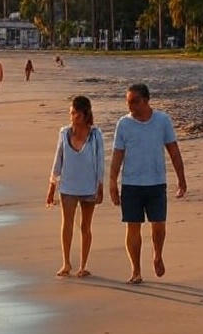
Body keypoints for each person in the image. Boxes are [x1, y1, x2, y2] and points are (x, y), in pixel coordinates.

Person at [108, 83, 187, 284]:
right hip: (131, 183)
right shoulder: (123, 124)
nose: (130, 106)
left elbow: (173, 150)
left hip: (156, 182)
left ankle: (157, 255)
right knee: (132, 227)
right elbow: (118, 154)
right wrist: (112, 182)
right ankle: (136, 270)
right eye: (128, 102)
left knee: (158, 225)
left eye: (134, 101)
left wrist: (181, 179)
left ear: (146, 100)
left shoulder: (162, 121)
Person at [46, 96, 104, 277]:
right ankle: (66, 263)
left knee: (86, 226)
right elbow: (58, 160)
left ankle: (83, 265)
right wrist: (52, 187)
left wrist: (100, 186)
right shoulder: (64, 133)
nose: (72, 117)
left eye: (76, 114)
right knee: (67, 224)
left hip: (89, 186)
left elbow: (100, 161)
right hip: (68, 186)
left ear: (86, 115)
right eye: (71, 113)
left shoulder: (96, 135)